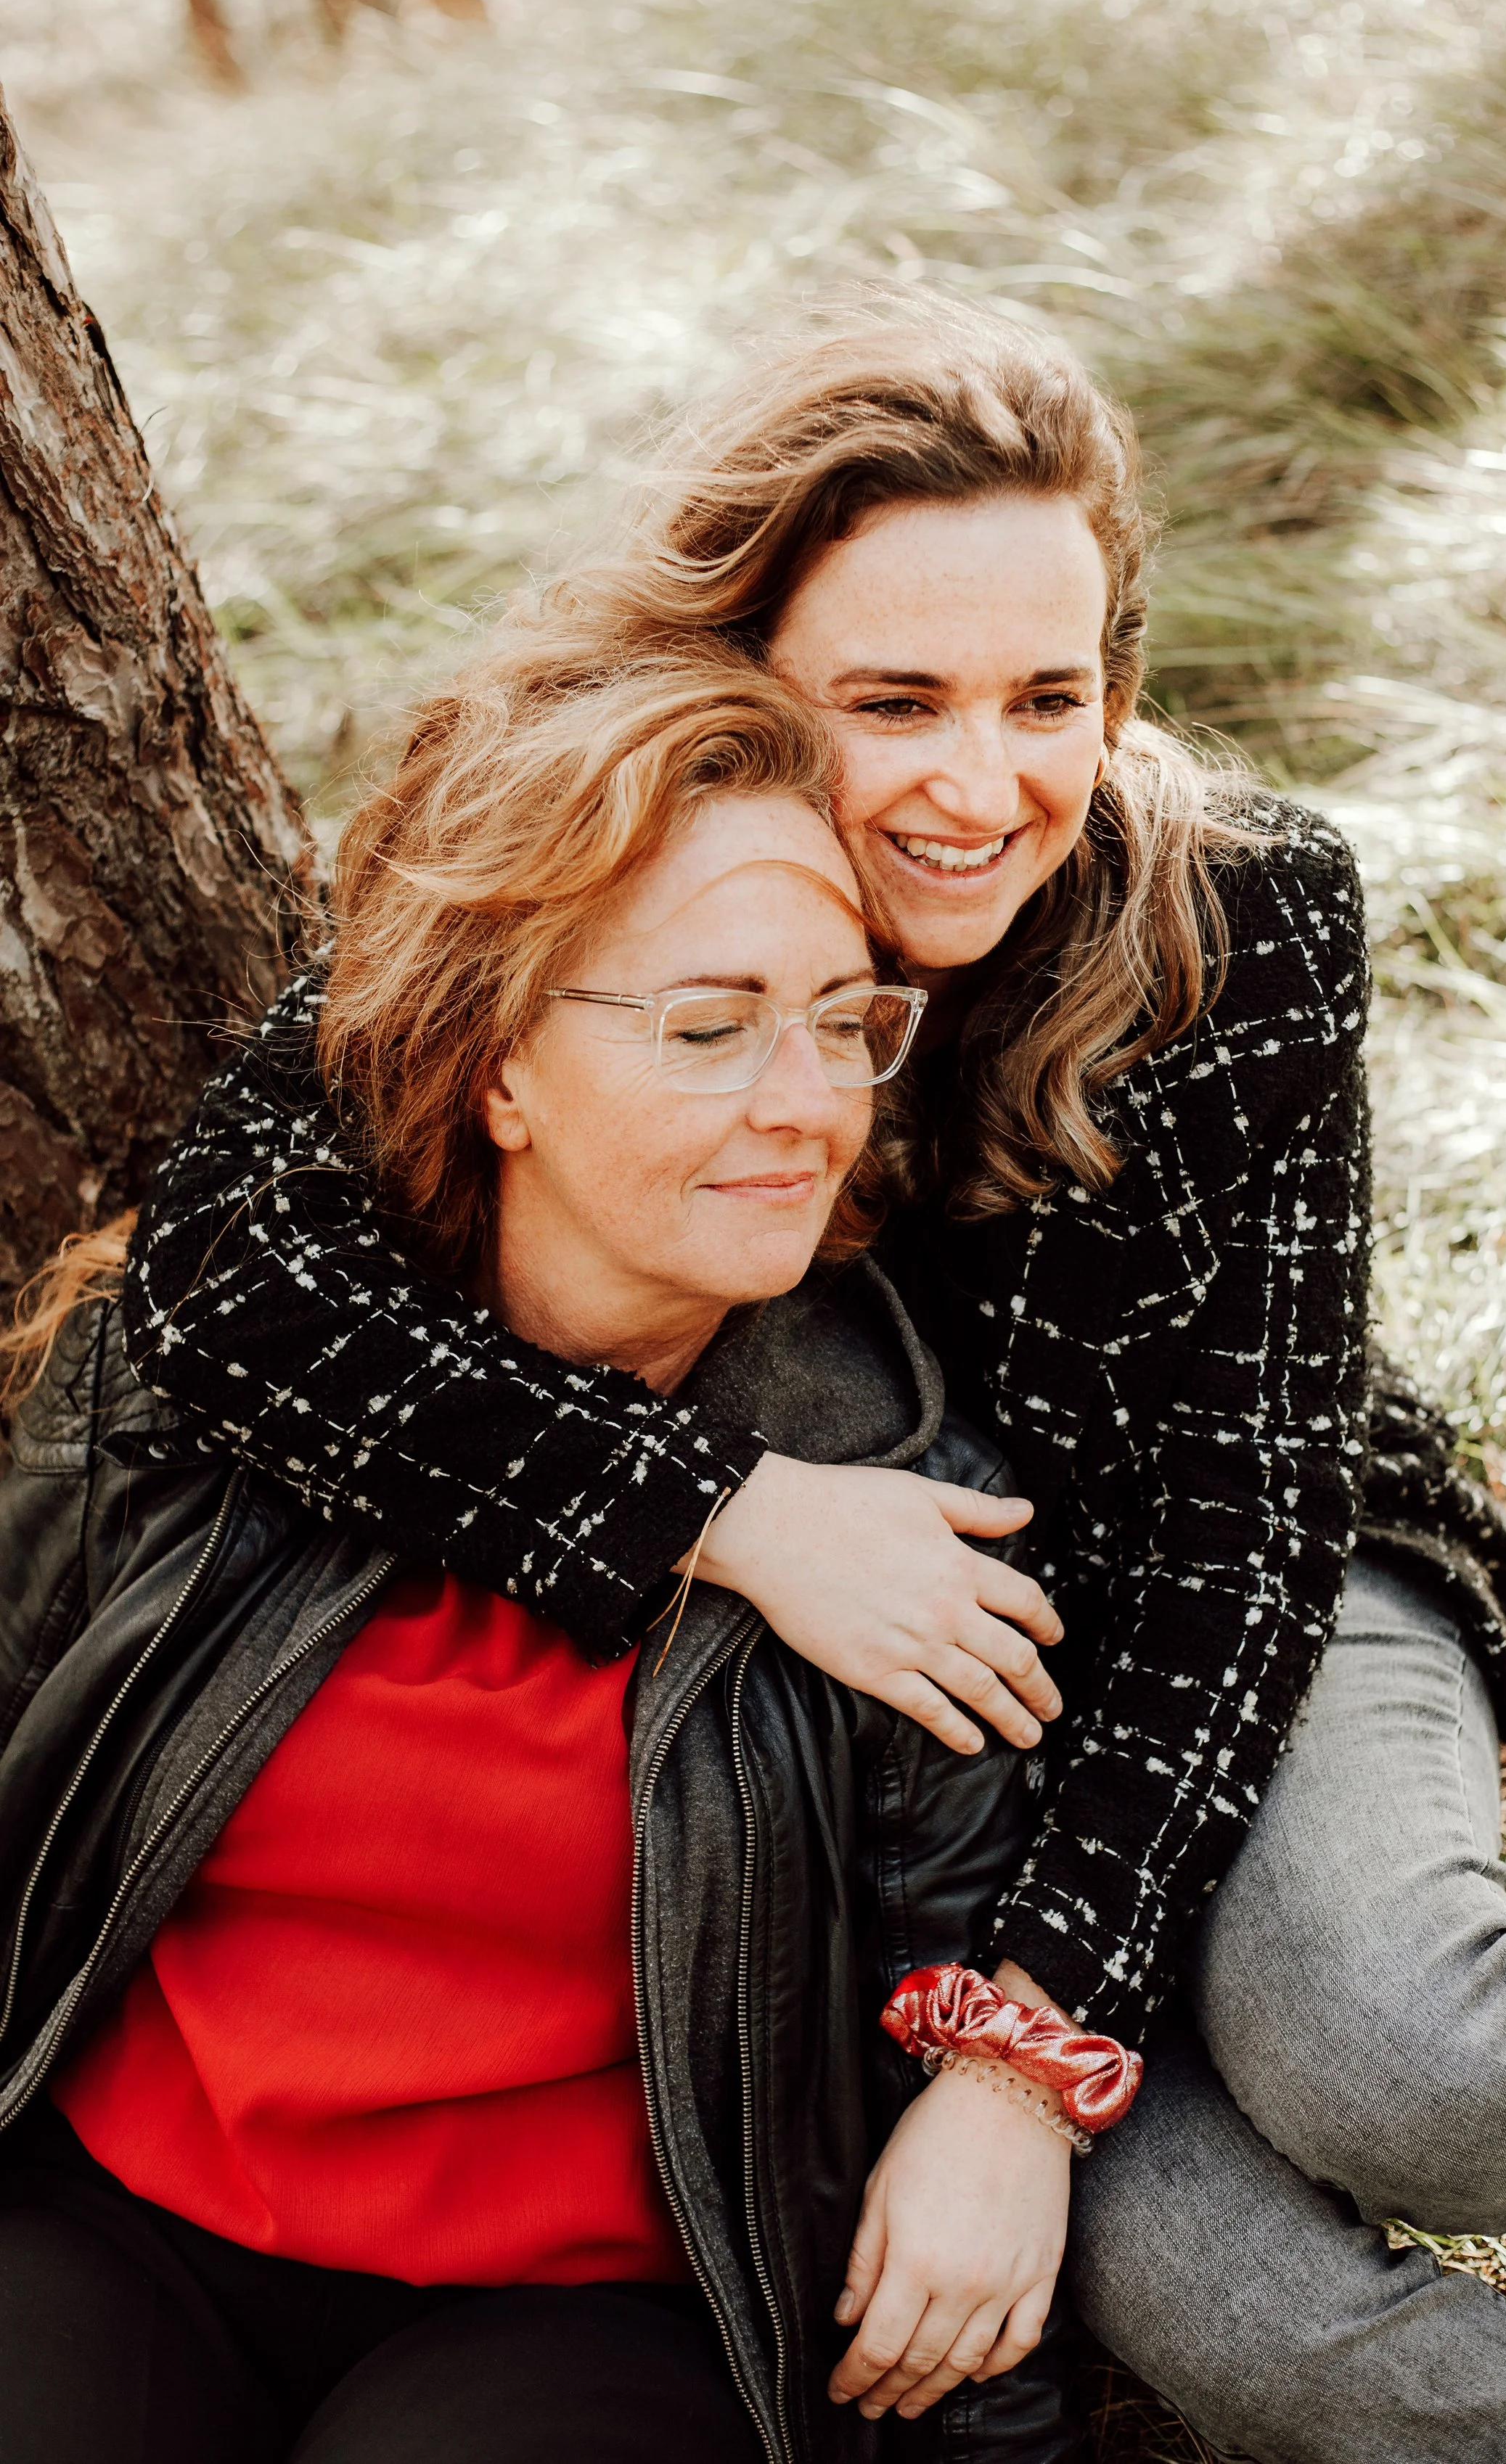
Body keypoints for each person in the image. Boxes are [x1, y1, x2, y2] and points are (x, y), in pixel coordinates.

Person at [119, 306, 1506, 2460]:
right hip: (899, 1686)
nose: (981, 781)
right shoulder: (609, 850)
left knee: (1391, 2042)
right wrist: (724, 1511)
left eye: (1050, 694)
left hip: (1255, 1590)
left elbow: (1241, 1518)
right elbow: (226, 1271)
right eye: (891, 701)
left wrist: (1023, 2058)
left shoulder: (1239, 915)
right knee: (1203, 2287)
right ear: (741, 674)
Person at [0, 652, 1109, 2464]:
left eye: (843, 1021)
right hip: (122, 2227)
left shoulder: (909, 1508)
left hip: (582, 2321)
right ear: (499, 1066)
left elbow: (954, 2096)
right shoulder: (201, 1379)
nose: (801, 1103)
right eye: (706, 1025)